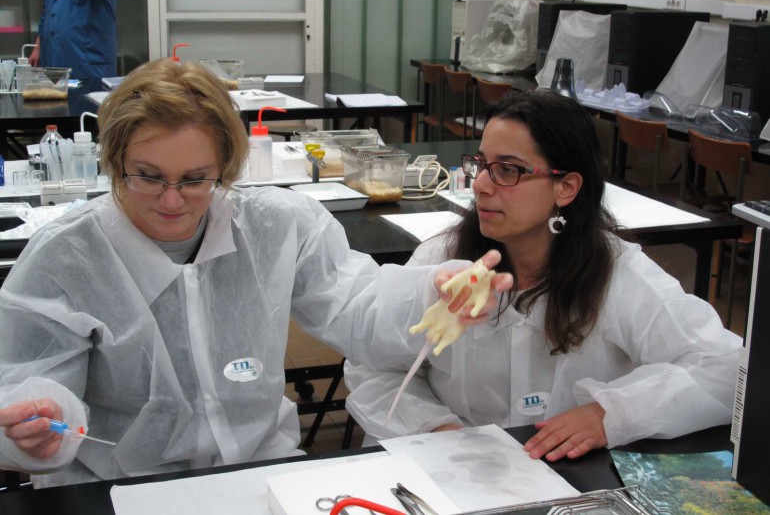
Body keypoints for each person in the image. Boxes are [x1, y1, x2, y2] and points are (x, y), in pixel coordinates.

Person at [0, 59, 511, 487]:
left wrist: (430, 296)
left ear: (226, 166)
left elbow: (356, 304)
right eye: (148, 177)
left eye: (196, 179)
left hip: (262, 472)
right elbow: (26, 380)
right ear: (114, 162)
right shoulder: (68, 257)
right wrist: (36, 423)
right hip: (125, 488)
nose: (172, 201)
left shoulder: (275, 225)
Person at [345, 91, 742, 461]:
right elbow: (372, 365)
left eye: (507, 170)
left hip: (567, 475)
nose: (480, 185)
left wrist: (611, 414)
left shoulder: (618, 275)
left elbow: (726, 369)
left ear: (566, 187)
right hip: (450, 466)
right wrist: (436, 428)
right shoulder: (442, 261)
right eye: (481, 165)